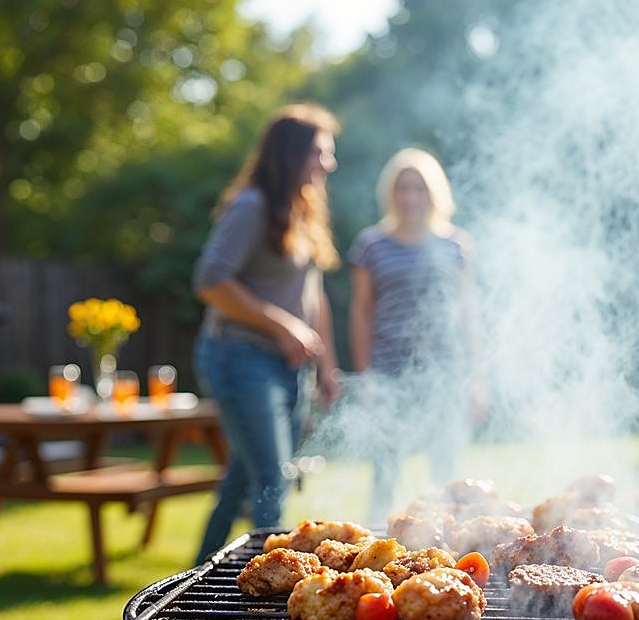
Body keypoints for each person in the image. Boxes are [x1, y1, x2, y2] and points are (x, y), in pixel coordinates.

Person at [192, 103, 343, 565]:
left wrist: (327, 366)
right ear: (290, 154)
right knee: (273, 479)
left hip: (287, 367)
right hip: (240, 360)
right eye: (320, 153)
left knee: (242, 478)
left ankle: (195, 581)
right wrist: (283, 324)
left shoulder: (301, 209)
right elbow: (211, 281)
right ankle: (266, 586)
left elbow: (314, 295)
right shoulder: (252, 205)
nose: (328, 164)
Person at [347, 147, 479, 524]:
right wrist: (366, 375)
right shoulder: (371, 245)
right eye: (403, 188)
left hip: (447, 373)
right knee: (385, 472)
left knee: (447, 474)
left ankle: (450, 548)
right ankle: (375, 543)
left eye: (419, 189)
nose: (410, 197)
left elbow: (469, 314)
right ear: (392, 193)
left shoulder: (456, 245)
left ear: (433, 193)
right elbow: (361, 312)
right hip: (389, 371)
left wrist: (476, 380)